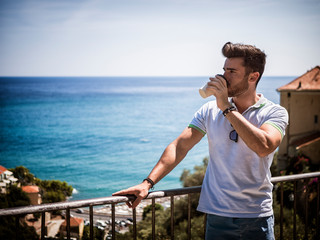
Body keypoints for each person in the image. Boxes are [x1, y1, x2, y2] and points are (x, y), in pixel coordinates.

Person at [113, 42, 288, 240]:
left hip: (256, 218)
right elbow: (179, 146)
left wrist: (226, 109)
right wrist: (147, 183)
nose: (223, 77)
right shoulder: (209, 111)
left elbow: (264, 146)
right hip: (217, 216)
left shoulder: (274, 112)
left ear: (253, 77)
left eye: (231, 71)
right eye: (223, 70)